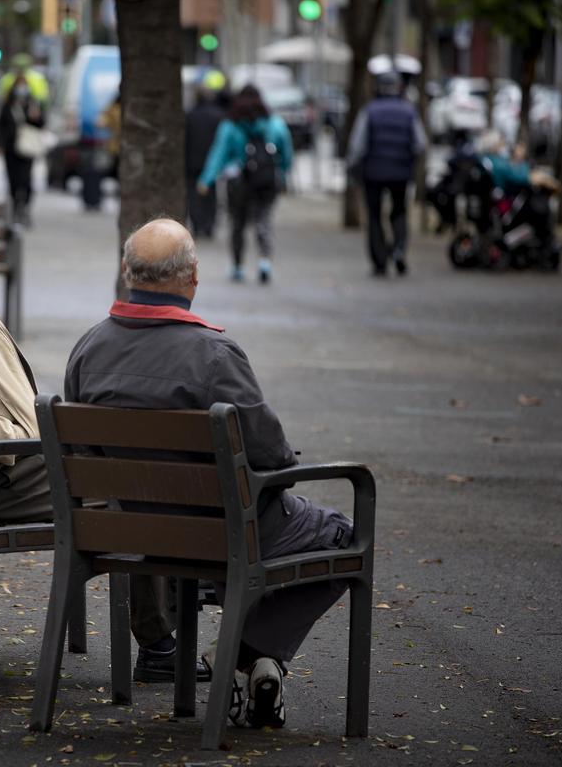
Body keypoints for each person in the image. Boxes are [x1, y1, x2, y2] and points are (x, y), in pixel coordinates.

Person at [0, 213, 205, 684]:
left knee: (126, 465)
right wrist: (39, 431)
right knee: (133, 493)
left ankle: (167, 626)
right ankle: (159, 645)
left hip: (10, 460)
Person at [65, 218, 354, 730]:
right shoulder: (215, 356)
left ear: (127, 272)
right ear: (191, 278)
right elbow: (274, 460)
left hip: (131, 531)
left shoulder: (88, 350)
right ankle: (247, 653)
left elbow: (84, 451)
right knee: (339, 535)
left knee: (234, 518)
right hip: (221, 535)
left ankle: (249, 659)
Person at [197, 85, 293, 284]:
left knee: (237, 224)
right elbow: (286, 152)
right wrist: (283, 176)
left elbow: (219, 153)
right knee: (264, 219)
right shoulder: (274, 123)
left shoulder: (231, 125)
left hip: (238, 182)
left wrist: (206, 180)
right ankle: (264, 261)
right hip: (266, 180)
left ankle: (238, 266)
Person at [347, 71, 427, 277]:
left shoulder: (370, 111)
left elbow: (357, 146)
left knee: (374, 216)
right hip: (401, 173)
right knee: (399, 212)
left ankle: (380, 260)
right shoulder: (409, 112)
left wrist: (353, 166)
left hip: (373, 173)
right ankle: (399, 249)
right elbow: (420, 143)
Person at [0, 76, 47, 226]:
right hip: (10, 148)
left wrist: (36, 117)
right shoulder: (8, 105)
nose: (21, 89)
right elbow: (0, 125)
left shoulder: (33, 104)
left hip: (27, 148)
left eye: (24, 85)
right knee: (12, 179)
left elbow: (41, 123)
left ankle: (24, 208)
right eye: (19, 85)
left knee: (26, 179)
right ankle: (15, 207)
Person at [185, 72, 228, 239]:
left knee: (193, 194)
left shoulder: (190, 115)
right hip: (211, 161)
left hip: (192, 161)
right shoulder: (219, 116)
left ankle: (197, 224)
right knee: (211, 194)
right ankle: (209, 224)